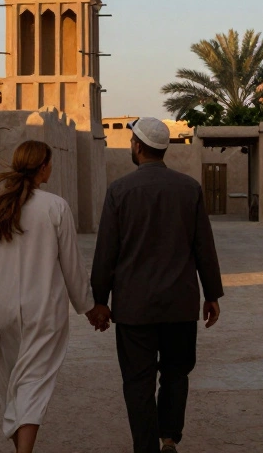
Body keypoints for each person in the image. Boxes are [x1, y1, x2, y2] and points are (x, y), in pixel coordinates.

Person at [89, 117, 224, 453]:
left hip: (135, 309)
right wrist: (211, 294)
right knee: (176, 374)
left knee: (138, 381)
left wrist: (100, 300)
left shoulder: (119, 191)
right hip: (179, 304)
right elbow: (203, 247)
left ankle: (146, 446)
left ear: (137, 146)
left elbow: (106, 252)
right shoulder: (189, 188)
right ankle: (169, 437)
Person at [0, 140, 101, 453]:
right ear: (43, 167)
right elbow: (72, 267)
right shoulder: (56, 207)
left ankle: (21, 448)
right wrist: (89, 307)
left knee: (12, 385)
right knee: (33, 384)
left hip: (0, 310)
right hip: (44, 313)